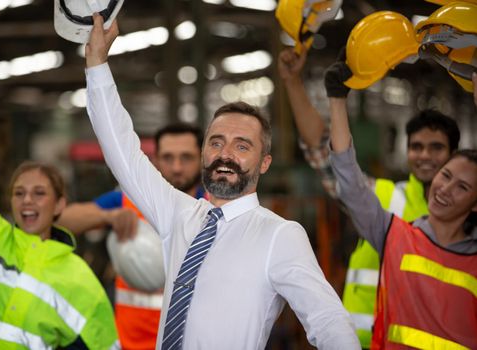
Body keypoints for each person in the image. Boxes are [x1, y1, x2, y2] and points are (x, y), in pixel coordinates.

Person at [83, 14, 360, 349]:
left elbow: (329, 322)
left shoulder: (279, 235)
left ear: (265, 162)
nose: (225, 154)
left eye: (242, 146)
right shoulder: (180, 215)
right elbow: (123, 153)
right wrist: (97, 63)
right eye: (216, 142)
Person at [278, 47, 461, 348]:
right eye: (417, 147)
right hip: (358, 341)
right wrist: (294, 83)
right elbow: (323, 152)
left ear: (453, 154)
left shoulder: (467, 219)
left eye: (436, 147)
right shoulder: (384, 196)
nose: (425, 155)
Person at [325, 58, 477, 349]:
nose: (445, 189)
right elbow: (349, 178)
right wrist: (336, 99)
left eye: (463, 187)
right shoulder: (394, 235)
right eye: (445, 176)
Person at [0, 100, 119, 349]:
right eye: (19, 193)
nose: (27, 200)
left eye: (39, 193)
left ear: (60, 204)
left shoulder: (80, 280)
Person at [57, 122, 206, 350]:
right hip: (132, 344)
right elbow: (62, 220)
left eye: (186, 157)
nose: (176, 167)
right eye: (168, 157)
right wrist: (108, 217)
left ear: (202, 160)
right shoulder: (129, 201)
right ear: (155, 160)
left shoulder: (215, 211)